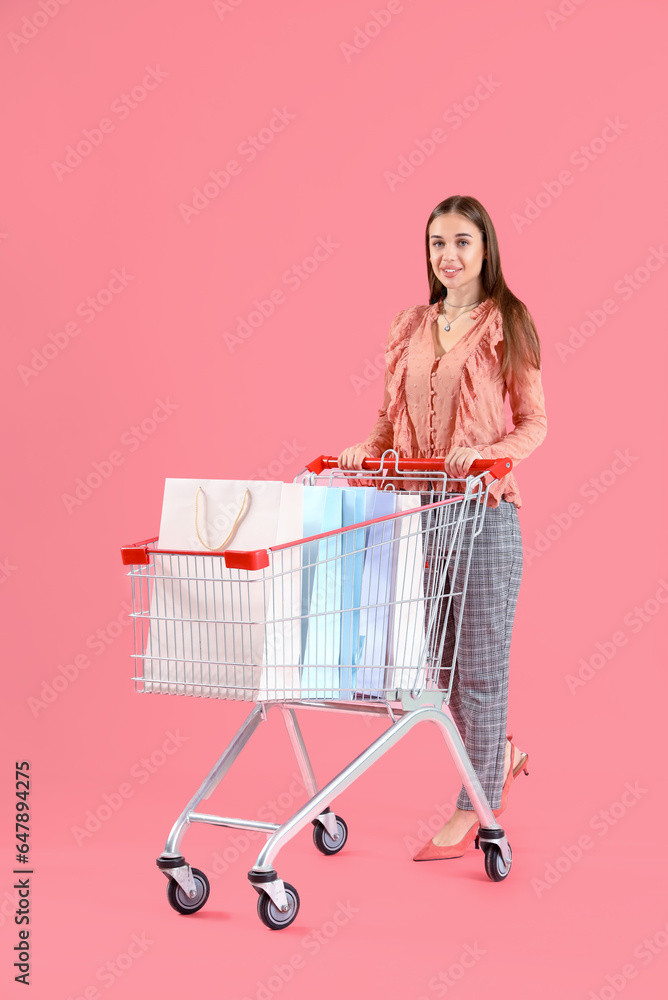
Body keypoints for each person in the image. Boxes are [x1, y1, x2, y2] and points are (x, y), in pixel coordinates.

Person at [338, 194, 547, 861]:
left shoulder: (507, 323)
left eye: (461, 242)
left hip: (483, 517)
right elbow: (385, 413)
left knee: (481, 671)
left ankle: (474, 809)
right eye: (436, 244)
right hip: (419, 520)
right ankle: (502, 756)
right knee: (443, 669)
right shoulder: (409, 326)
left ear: (485, 247)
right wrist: (363, 454)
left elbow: (533, 423)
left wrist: (485, 457)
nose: (448, 256)